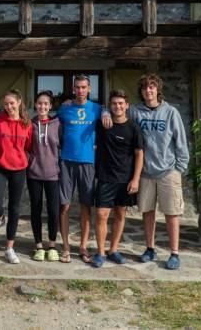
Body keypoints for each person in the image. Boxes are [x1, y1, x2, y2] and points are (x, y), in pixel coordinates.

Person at [101, 73, 189, 270]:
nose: (148, 91)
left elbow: (181, 143)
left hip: (168, 171)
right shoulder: (135, 111)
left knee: (171, 212)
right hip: (145, 172)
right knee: (147, 212)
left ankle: (174, 253)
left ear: (158, 89)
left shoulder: (170, 112)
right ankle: (150, 248)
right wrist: (105, 113)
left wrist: (179, 168)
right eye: (144, 88)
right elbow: (115, 109)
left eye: (152, 87)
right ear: (141, 92)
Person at [92, 89, 143, 268]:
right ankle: (100, 252)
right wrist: (104, 111)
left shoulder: (134, 127)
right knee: (101, 214)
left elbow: (139, 154)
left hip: (125, 178)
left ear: (127, 105)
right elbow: (93, 110)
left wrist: (135, 179)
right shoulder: (102, 124)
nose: (118, 106)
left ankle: (113, 250)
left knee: (120, 213)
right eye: (114, 103)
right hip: (105, 177)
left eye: (121, 103)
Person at [0, 89, 32, 264]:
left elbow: (30, 146)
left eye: (12, 103)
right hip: (0, 166)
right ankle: (0, 218)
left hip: (19, 168)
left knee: (15, 208)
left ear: (19, 102)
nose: (9, 107)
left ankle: (9, 248)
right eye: (6, 104)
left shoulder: (27, 124)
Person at [57, 75, 101, 263]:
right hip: (66, 161)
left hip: (87, 162)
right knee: (64, 205)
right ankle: (66, 247)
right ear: (73, 89)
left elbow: (108, 124)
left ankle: (83, 246)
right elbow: (55, 128)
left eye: (84, 87)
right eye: (77, 87)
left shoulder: (97, 109)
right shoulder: (65, 108)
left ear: (89, 88)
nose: (80, 91)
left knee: (85, 206)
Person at [27, 91, 62, 262]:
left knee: (54, 211)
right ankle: (39, 245)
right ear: (35, 104)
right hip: (34, 173)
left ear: (50, 106)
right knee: (36, 210)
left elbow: (62, 146)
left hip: (53, 174)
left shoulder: (57, 124)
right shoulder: (30, 123)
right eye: (39, 103)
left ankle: (53, 245)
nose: (42, 106)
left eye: (46, 104)